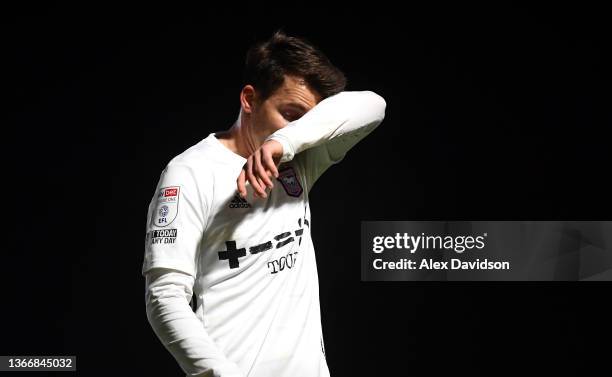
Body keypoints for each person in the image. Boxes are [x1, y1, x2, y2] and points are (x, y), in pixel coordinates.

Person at [142, 30, 386, 377]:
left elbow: (374, 105)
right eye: (290, 114)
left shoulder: (298, 158)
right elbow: (164, 298)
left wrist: (283, 140)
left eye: (310, 122)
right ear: (249, 99)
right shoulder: (189, 173)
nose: (301, 129)